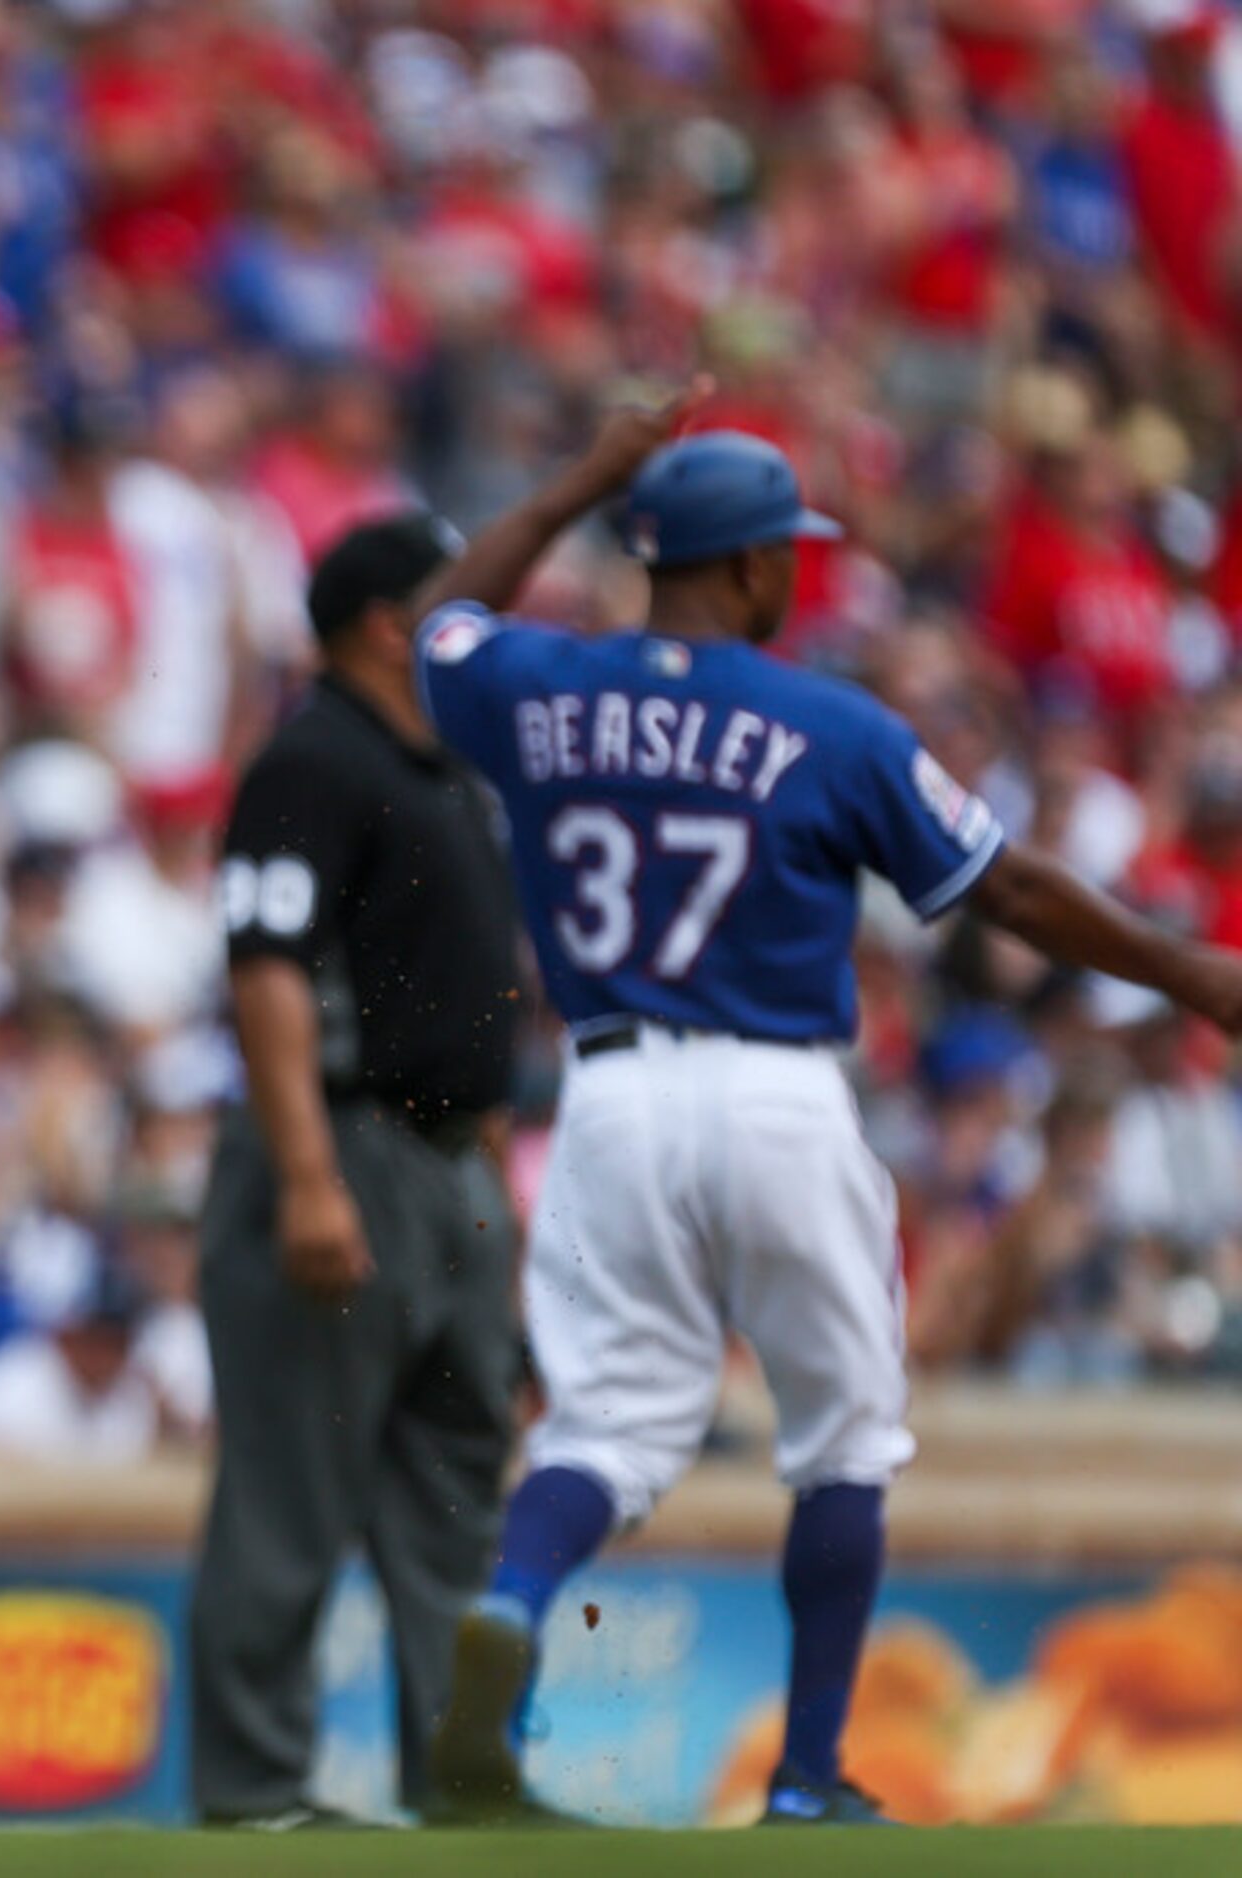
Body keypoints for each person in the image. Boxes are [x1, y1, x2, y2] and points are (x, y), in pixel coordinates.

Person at [414, 409, 1242, 1826]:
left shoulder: (541, 686)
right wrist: (1189, 972)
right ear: (743, 573)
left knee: (608, 1424)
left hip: (608, 1092)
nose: (797, 578)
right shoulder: (828, 721)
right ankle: (806, 1774)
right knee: (845, 1436)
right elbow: (1017, 893)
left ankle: (512, 1600)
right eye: (784, 556)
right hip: (776, 1090)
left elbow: (431, 618)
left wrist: (584, 476)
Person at [190, 515, 525, 1828]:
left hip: (452, 1163)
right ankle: (256, 1794)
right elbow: (265, 965)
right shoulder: (310, 758)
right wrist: (309, 1175)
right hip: (341, 1143)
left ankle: (460, 1783)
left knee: (455, 1505)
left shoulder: (446, 774)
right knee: (291, 1500)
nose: (483, 621)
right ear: (390, 622)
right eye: (457, 597)